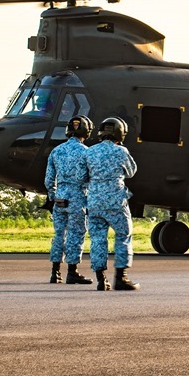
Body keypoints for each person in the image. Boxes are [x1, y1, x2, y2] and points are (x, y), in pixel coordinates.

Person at [87, 116, 139, 291]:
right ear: (120, 133)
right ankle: (121, 278)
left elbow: (82, 176)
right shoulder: (121, 152)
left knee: (97, 240)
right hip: (116, 201)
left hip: (94, 201)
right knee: (123, 236)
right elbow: (131, 172)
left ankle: (101, 280)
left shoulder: (89, 152)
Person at [44, 115, 94, 285]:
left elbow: (49, 180)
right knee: (76, 233)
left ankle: (54, 272)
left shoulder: (56, 151)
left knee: (59, 234)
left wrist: (52, 196)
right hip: (77, 198)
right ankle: (72, 272)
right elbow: (88, 177)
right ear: (85, 131)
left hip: (59, 199)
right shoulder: (86, 153)